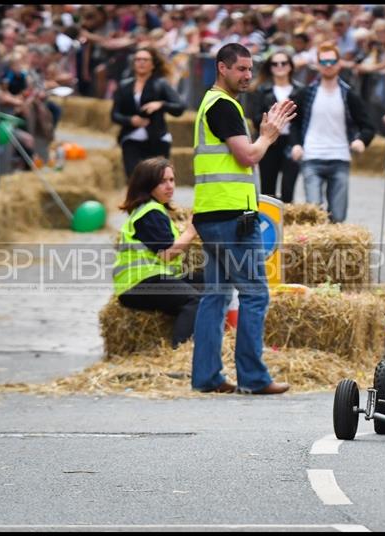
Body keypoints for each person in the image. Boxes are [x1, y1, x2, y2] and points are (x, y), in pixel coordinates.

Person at [190, 43, 296, 395]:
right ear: (222, 68)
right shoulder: (223, 106)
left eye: (251, 69)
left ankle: (207, 377)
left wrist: (263, 135)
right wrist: (268, 136)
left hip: (212, 214)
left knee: (216, 295)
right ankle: (253, 378)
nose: (248, 75)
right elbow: (248, 156)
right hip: (231, 218)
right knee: (254, 295)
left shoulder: (212, 103)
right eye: (241, 69)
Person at [113, 157, 201, 349]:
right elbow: (167, 254)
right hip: (139, 284)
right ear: (147, 185)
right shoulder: (150, 213)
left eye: (171, 180)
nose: (170, 186)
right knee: (192, 300)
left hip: (154, 279)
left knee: (210, 280)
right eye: (162, 181)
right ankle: (180, 353)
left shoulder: (154, 210)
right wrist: (191, 231)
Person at [290, 41, 376, 223]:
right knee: (313, 214)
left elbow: (368, 125)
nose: (328, 66)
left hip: (340, 158)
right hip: (312, 157)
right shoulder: (305, 93)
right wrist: (296, 144)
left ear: (338, 63)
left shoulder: (349, 95)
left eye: (332, 62)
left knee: (338, 216)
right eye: (324, 62)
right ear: (318, 65)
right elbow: (294, 123)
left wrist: (361, 140)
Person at [111, 46, 185, 179]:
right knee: (134, 179)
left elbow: (180, 107)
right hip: (131, 138)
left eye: (145, 60)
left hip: (157, 138)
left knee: (157, 180)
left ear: (152, 64)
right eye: (138, 59)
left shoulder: (160, 84)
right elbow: (115, 114)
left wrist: (161, 104)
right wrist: (130, 120)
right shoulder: (125, 85)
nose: (141, 63)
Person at [249, 50, 303, 203]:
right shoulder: (261, 90)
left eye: (283, 63)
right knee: (267, 189)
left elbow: (302, 121)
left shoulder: (300, 91)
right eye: (275, 64)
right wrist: (274, 116)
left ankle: (286, 222)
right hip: (269, 142)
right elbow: (255, 118)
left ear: (290, 67)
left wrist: (299, 143)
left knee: (288, 188)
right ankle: (270, 225)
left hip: (291, 142)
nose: (279, 66)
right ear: (270, 67)